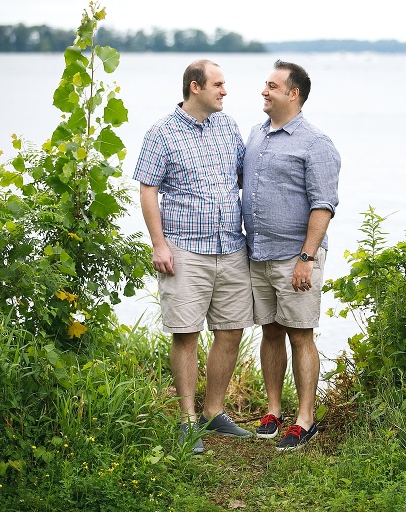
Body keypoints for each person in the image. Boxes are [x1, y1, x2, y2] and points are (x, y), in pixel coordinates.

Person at [133, 59, 253, 455]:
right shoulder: (161, 133)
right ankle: (187, 421)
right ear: (195, 87)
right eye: (218, 85)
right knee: (185, 333)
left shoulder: (229, 126)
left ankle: (213, 413)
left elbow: (242, 178)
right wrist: (158, 244)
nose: (225, 92)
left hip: (231, 247)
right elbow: (148, 190)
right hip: (185, 248)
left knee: (231, 330)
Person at [242, 60, 341, 451]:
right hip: (258, 252)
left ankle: (305, 419)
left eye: (272, 86)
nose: (264, 92)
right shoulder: (256, 135)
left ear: (293, 93)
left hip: (295, 257)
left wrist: (307, 257)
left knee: (300, 335)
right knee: (269, 330)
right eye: (265, 85)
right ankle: (272, 410)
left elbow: (324, 205)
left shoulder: (315, 143)